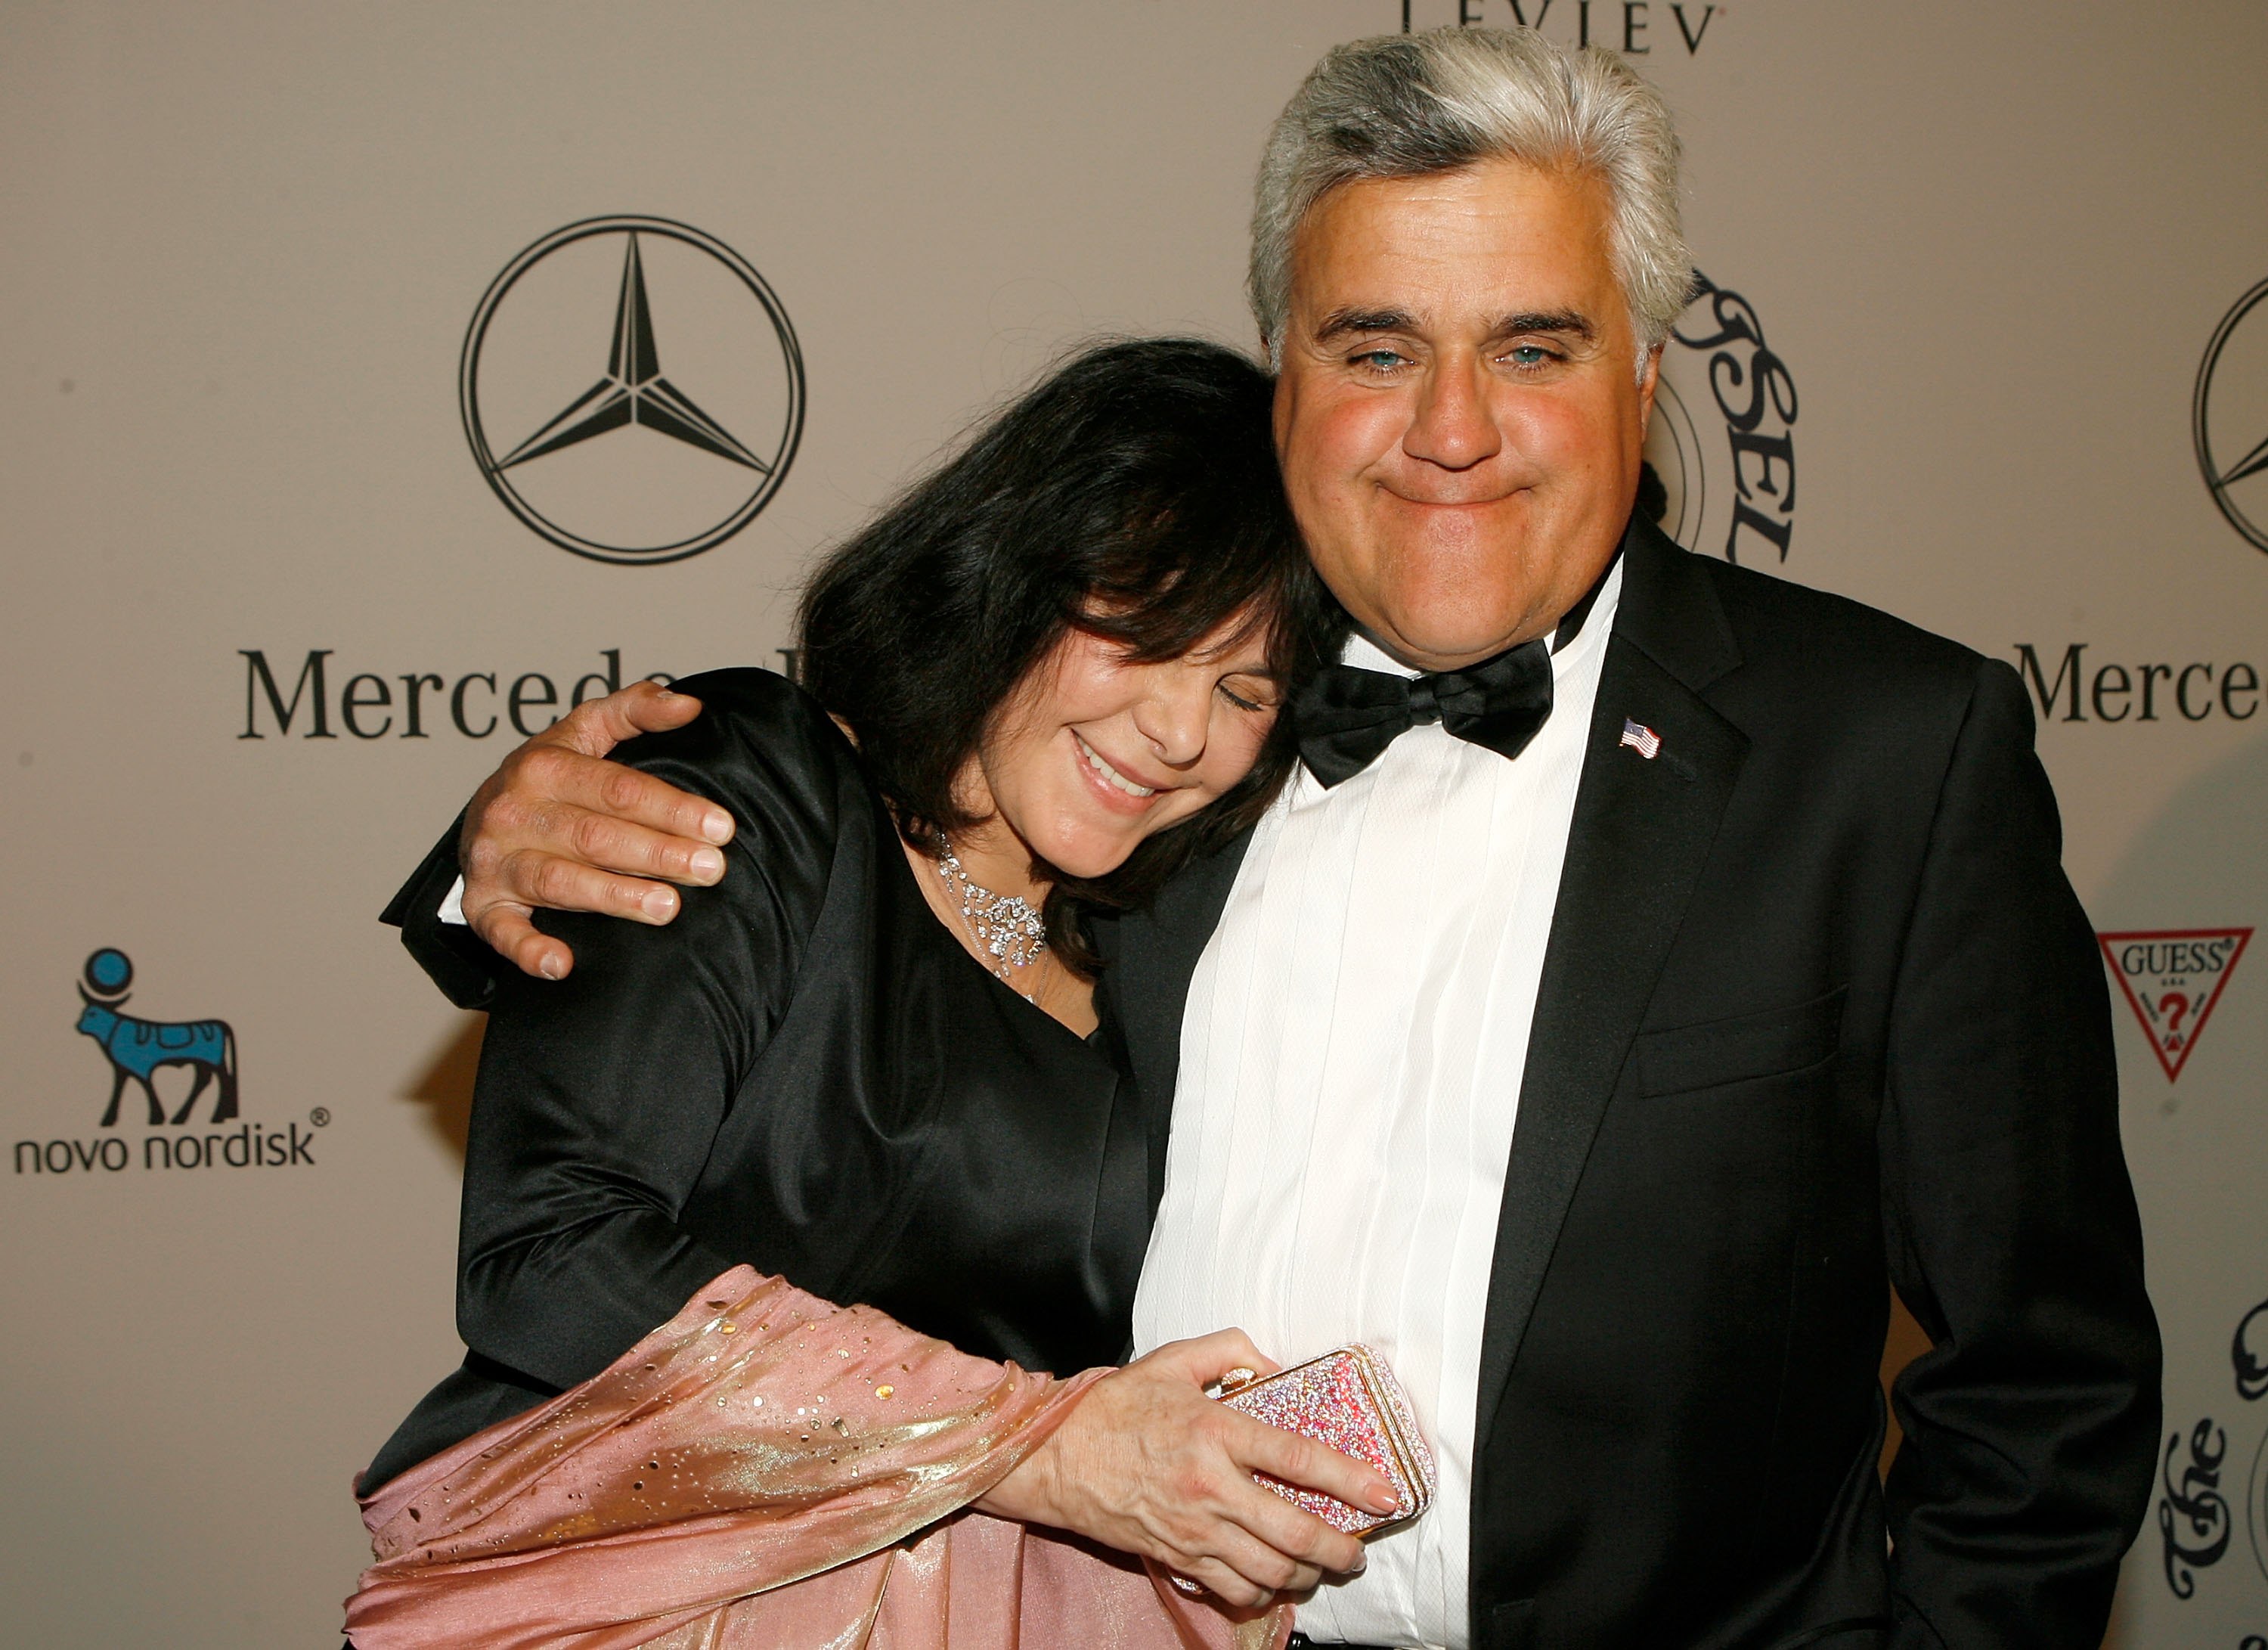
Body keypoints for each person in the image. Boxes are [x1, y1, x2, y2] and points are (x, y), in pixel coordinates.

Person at [395, 28, 2161, 1650]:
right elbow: (858, 952)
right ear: (1283, 382)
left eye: (1531, 346)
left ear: (1640, 369)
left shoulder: (1882, 753)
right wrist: (509, 856)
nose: (1451, 429)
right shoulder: (1178, 737)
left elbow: (2042, 1386)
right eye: (1375, 346)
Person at [350, 338, 1411, 1648]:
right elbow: (549, 1256)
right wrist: (1045, 1448)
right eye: (1145, 637)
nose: (1182, 730)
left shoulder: (1177, 941)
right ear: (1013, 573)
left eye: (1243, 688)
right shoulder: (765, 784)